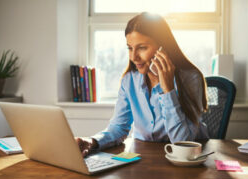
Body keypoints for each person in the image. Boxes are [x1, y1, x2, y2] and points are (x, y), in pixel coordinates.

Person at [76, 12, 209, 157]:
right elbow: (119, 127)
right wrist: (92, 141)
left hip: (184, 161)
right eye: (130, 48)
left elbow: (182, 143)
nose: (133, 57)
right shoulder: (129, 80)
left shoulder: (190, 78)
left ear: (163, 47)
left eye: (142, 48)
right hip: (142, 158)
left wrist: (168, 89)